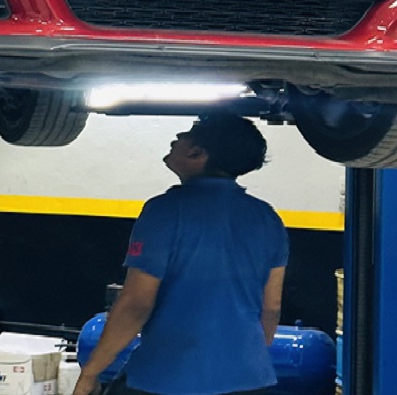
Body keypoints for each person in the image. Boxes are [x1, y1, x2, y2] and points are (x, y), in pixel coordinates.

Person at [73, 113, 288, 395]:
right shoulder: (267, 217)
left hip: (167, 378)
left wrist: (90, 372)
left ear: (197, 153)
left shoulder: (164, 211)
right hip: (251, 379)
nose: (177, 137)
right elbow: (271, 308)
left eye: (188, 133)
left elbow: (135, 305)